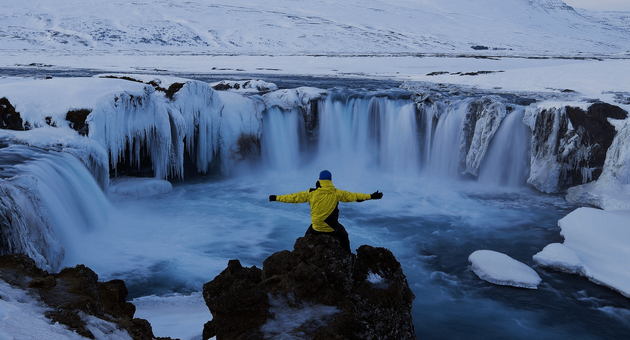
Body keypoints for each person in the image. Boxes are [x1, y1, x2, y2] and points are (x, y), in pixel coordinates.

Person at [269, 170, 383, 252]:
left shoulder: (311, 193)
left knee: (306, 236)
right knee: (344, 234)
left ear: (319, 181)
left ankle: (303, 250)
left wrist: (276, 198)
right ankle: (348, 254)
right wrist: (371, 196)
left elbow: (293, 198)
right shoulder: (336, 193)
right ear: (330, 181)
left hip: (316, 229)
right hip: (332, 229)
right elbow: (355, 197)